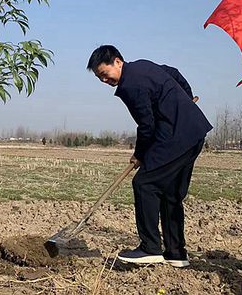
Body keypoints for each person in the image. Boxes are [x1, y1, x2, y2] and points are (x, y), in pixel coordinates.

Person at [86, 45, 212, 268]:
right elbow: (174, 73)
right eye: (99, 78)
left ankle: (150, 247)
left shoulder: (130, 85)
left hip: (175, 136)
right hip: (194, 132)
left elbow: (146, 125)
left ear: (117, 61)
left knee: (144, 183)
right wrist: (186, 98)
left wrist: (140, 154)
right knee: (171, 194)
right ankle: (176, 253)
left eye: (104, 75)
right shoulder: (144, 66)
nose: (104, 81)